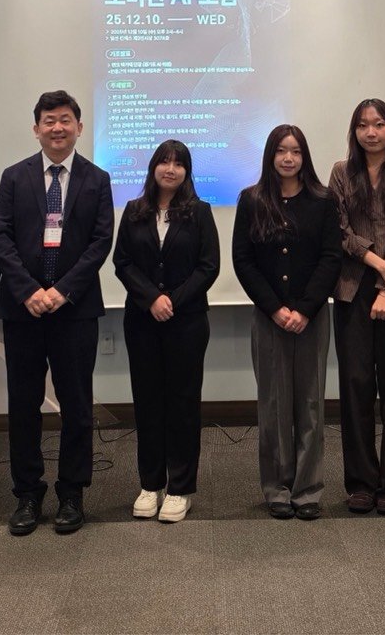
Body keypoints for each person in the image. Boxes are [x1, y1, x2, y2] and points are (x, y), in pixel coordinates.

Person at [0, 90, 114, 536]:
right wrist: (28, 290)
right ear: (36, 128)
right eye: (49, 120)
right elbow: (1, 237)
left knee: (77, 405)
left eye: (65, 120)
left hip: (74, 309)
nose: (57, 127)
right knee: (23, 406)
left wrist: (62, 291)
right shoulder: (13, 177)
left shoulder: (97, 179)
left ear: (79, 127)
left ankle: (72, 492)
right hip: (23, 309)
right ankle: (27, 494)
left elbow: (100, 242)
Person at [233, 124, 341, 520]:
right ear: (270, 155)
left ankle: (307, 490)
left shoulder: (323, 200)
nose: (289, 158)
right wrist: (275, 308)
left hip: (312, 317)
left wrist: (306, 308)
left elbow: (331, 257)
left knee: (310, 404)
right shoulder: (252, 200)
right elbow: (243, 260)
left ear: (304, 156)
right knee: (274, 405)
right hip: (269, 318)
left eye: (295, 151)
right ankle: (277, 488)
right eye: (281, 150)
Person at [113, 140, 221, 524]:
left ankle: (180, 488)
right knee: (147, 403)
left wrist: (171, 301)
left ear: (187, 171)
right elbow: (122, 262)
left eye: (178, 163)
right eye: (164, 162)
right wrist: (151, 300)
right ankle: (150, 484)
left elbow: (209, 266)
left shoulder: (200, 212)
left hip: (187, 321)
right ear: (153, 167)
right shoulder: (134, 211)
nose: (170, 169)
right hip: (142, 322)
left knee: (183, 404)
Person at [327, 98, 385, 515]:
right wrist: (377, 264)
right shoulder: (340, 172)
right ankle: (362, 482)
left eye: (379, 124)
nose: (371, 132)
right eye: (363, 125)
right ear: (355, 131)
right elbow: (339, 231)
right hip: (351, 290)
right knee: (356, 388)